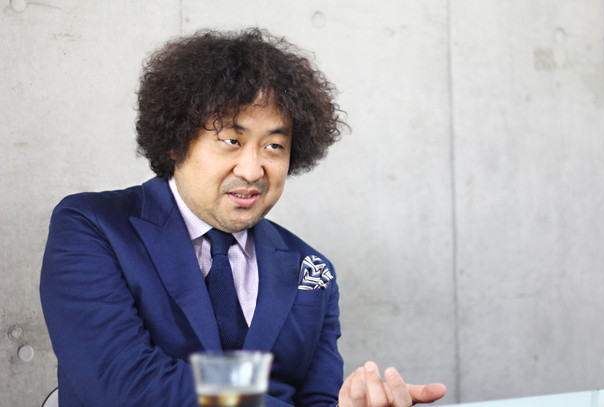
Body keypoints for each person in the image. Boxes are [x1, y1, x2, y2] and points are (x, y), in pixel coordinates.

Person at [40, 28, 446, 407]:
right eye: (232, 140)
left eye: (274, 146)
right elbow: (123, 381)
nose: (253, 170)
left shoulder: (311, 268)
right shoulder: (94, 226)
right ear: (176, 143)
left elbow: (317, 398)